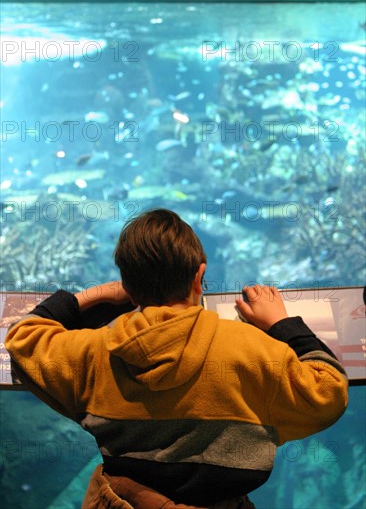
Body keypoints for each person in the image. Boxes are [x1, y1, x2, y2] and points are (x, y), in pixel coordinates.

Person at [5, 208, 348, 509]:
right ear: (199, 275)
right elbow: (329, 391)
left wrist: (94, 295)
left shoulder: (96, 353)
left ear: (127, 285)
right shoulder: (252, 351)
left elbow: (24, 338)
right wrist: (281, 323)